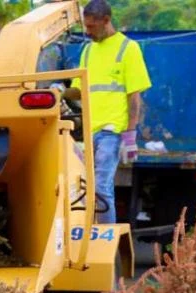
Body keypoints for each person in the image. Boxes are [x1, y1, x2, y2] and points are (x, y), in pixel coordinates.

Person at [65, 0, 151, 223]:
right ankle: (86, 237)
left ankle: (105, 240)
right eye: (86, 26)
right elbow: (78, 90)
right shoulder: (88, 51)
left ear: (106, 21)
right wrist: (58, 92)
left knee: (101, 188)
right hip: (88, 132)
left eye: (92, 27)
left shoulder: (128, 48)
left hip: (111, 131)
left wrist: (130, 135)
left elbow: (134, 97)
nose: (88, 31)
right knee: (81, 191)